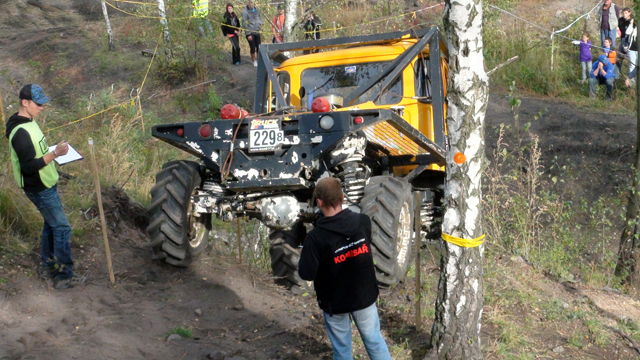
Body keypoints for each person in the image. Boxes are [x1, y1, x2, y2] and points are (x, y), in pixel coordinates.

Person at [299, 178, 392, 360]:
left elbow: (306, 273)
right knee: (374, 341)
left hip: (335, 303)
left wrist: (305, 254)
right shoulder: (363, 221)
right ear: (342, 197)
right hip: (364, 297)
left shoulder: (315, 238)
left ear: (319, 202)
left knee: (342, 351)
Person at [5, 85, 87, 290]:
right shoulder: (20, 133)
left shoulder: (28, 121)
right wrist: (56, 154)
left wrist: (52, 151)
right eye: (38, 103)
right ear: (25, 103)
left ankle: (47, 267)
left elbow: (36, 152)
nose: (42, 107)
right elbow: (29, 167)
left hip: (46, 182)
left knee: (51, 225)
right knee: (61, 227)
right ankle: (64, 275)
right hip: (39, 187)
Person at [241, 0, 263, 67]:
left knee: (259, 47)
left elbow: (261, 18)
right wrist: (248, 34)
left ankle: (259, 60)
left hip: (257, 31)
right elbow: (244, 24)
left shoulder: (257, 10)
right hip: (250, 32)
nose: (252, 4)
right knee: (252, 47)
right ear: (249, 2)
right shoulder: (245, 12)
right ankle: (254, 61)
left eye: (254, 2)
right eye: (251, 2)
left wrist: (260, 23)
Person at [624, 17, 638, 83]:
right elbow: (627, 32)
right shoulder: (633, 27)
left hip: (638, 50)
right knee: (632, 65)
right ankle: (632, 82)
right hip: (632, 49)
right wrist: (631, 24)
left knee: (637, 65)